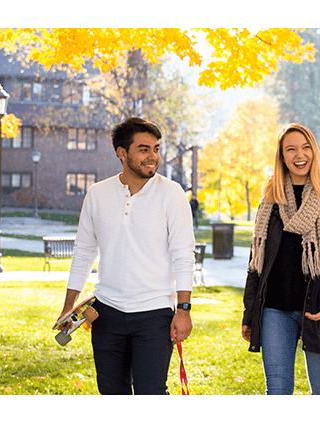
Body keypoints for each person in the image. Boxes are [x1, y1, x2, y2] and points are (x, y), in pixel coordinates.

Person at [57, 117, 196, 395]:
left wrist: (183, 310)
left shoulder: (172, 194)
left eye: (156, 149)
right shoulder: (98, 194)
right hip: (107, 312)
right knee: (111, 392)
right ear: (122, 153)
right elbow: (84, 251)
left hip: (154, 313)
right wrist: (68, 306)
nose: (153, 157)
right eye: (144, 149)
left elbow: (183, 254)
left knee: (150, 391)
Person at [241, 123, 320, 395]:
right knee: (278, 390)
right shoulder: (270, 200)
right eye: (290, 149)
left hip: (317, 308)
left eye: (305, 147)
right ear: (281, 156)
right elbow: (256, 264)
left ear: (314, 152)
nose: (299, 155)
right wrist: (250, 314)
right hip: (274, 310)